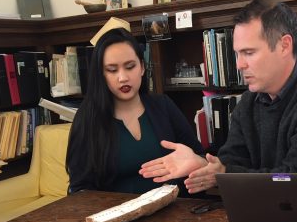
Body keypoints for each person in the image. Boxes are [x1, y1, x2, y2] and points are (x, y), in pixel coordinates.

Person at [139, 0, 297, 199]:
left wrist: (224, 173)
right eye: (238, 54)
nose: (239, 65)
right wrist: (207, 165)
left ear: (284, 45)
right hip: (270, 210)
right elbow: (231, 159)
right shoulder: (250, 100)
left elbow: (294, 179)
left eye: (249, 52)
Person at [66, 25, 203, 194]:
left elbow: (198, 157)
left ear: (142, 68)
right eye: (112, 70)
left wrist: (197, 162)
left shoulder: (163, 106)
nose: (123, 78)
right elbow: (79, 188)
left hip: (175, 211)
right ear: (101, 75)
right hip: (116, 216)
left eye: (130, 67)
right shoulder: (88, 118)